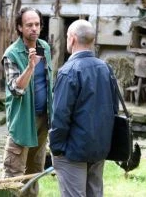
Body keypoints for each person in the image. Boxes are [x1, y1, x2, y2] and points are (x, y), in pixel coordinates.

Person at [49, 19, 118, 197]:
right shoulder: (106, 68)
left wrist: (56, 149)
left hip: (73, 151)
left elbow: (59, 116)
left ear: (72, 39)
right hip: (99, 148)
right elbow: (114, 109)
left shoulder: (69, 71)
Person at [2, 7, 53, 197]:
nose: (34, 28)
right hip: (23, 119)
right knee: (14, 172)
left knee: (34, 170)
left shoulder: (44, 47)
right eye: (29, 25)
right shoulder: (12, 54)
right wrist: (30, 67)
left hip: (43, 118)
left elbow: (49, 82)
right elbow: (16, 89)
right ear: (20, 27)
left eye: (37, 24)